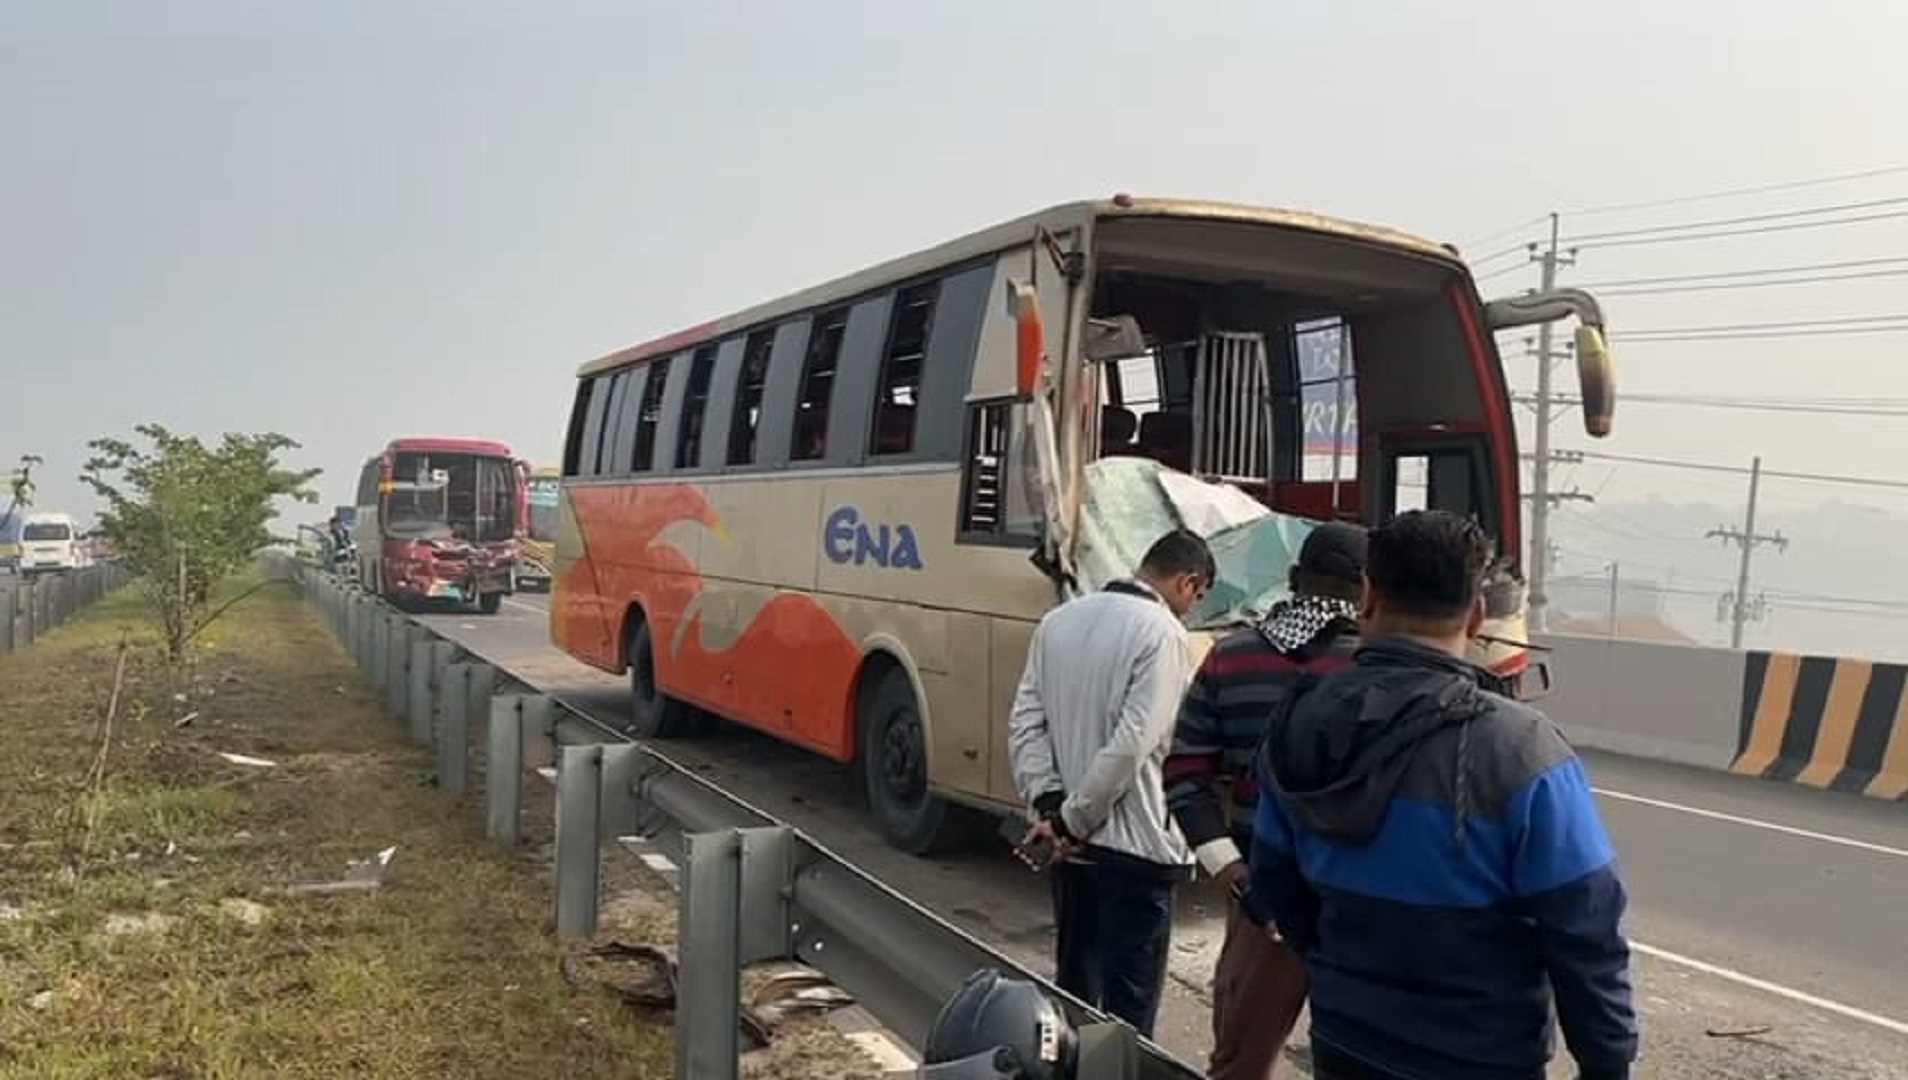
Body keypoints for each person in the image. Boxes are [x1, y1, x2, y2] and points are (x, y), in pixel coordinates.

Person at [1246, 510, 1637, 1080]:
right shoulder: (1522, 748)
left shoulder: (1298, 720)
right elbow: (1585, 929)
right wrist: (1607, 1064)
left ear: (1369, 595)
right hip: (1480, 1058)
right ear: (1477, 614)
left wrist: (1341, 972)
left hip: (1345, 1041)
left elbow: (1278, 882)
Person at [1162, 521, 1367, 1079]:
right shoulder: (1380, 671)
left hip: (1263, 901)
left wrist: (1237, 878)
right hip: (1362, 908)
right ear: (1369, 590)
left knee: (1238, 1064)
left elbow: (1183, 777)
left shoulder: (1231, 657)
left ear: (1294, 578)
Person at [1007, 528, 1213, 1039]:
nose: (1192, 609)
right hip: (1136, 850)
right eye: (1199, 597)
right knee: (1127, 1017)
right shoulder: (1163, 635)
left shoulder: (1057, 622)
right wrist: (1075, 819)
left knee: (1074, 995)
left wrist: (1051, 807)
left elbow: (1025, 724)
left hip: (1068, 851)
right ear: (1188, 582)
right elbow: (1133, 743)